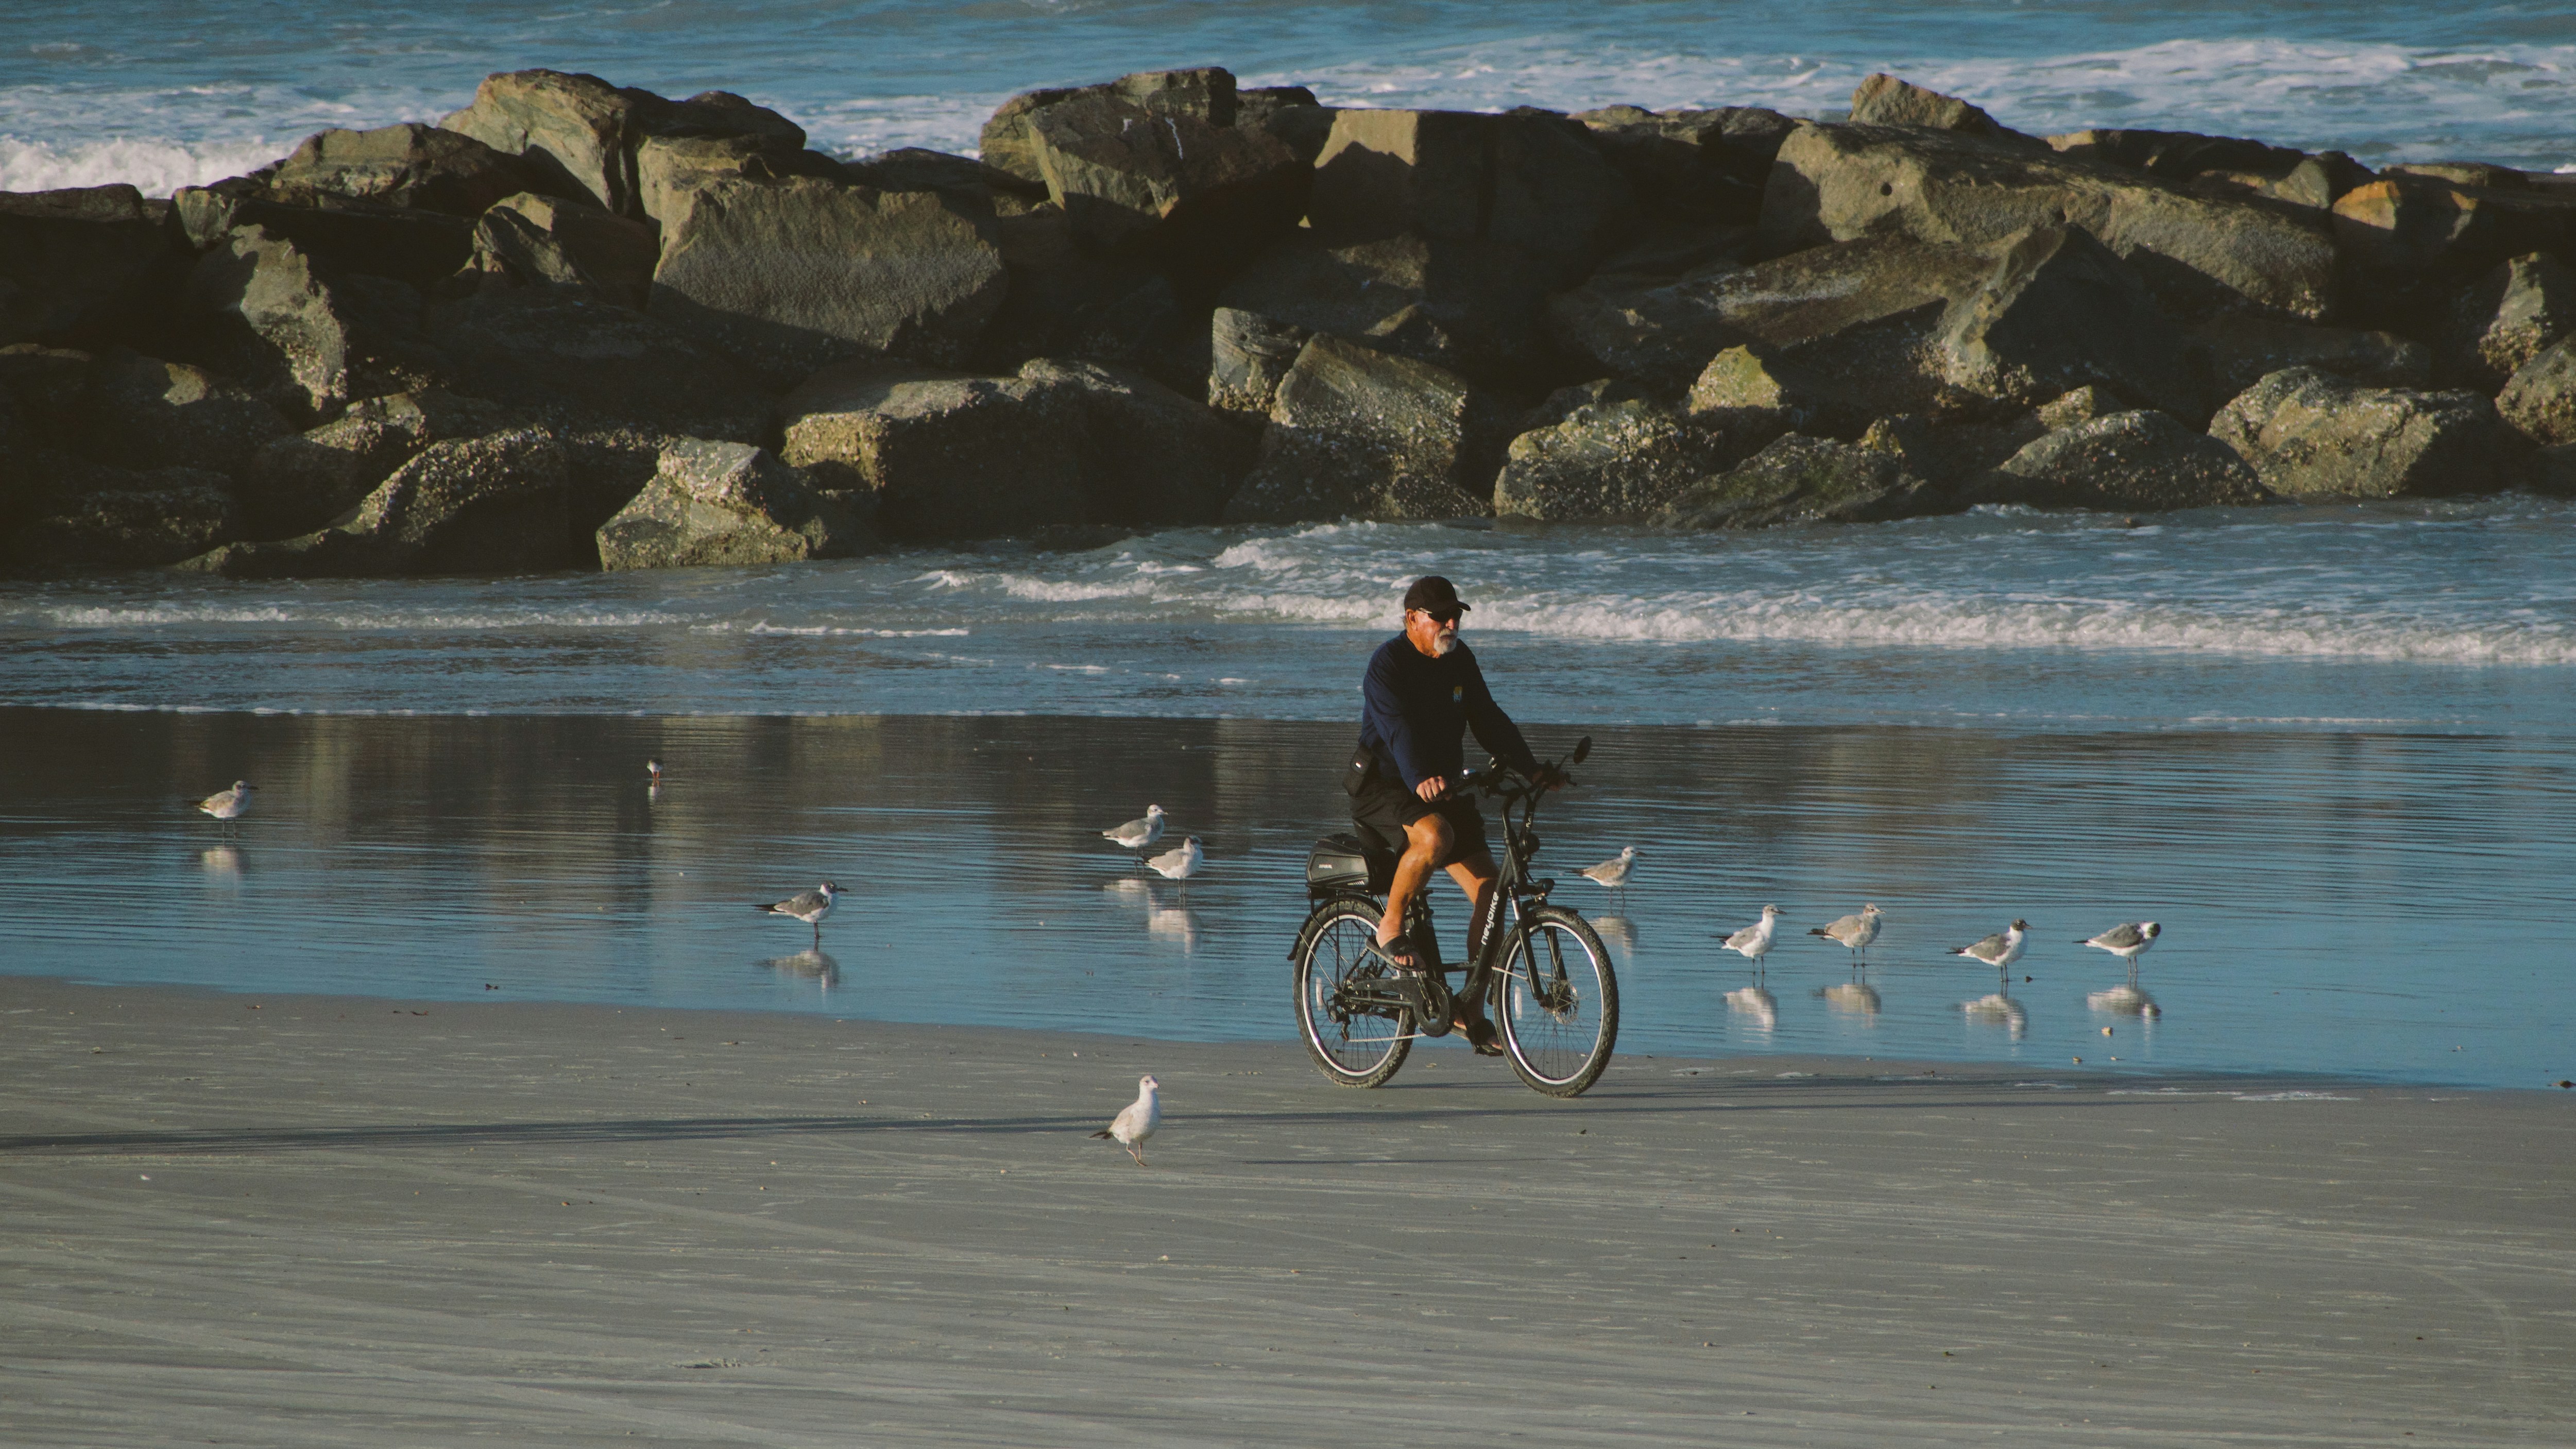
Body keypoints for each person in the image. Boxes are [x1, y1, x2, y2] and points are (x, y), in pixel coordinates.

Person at [1346, 575, 1548, 1042]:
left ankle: (1469, 1009)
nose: (1451, 624)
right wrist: (1419, 777)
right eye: (1440, 616)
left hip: (1440, 787)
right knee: (1435, 836)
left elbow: (1488, 717)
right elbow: (1397, 731)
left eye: (1455, 615)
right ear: (1412, 619)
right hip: (1385, 783)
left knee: (1492, 896)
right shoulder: (1387, 664)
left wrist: (1532, 768)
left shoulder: (1460, 660)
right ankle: (1390, 923)